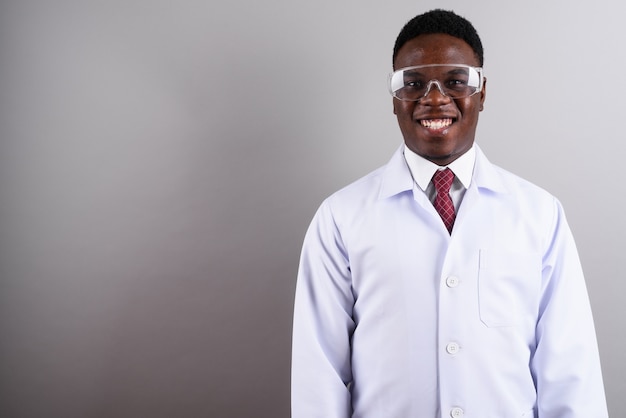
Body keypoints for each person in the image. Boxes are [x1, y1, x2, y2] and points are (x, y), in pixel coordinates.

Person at [291, 9, 608, 418]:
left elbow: (570, 370)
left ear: (483, 92)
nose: (435, 98)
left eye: (456, 82)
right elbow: (319, 377)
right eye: (414, 84)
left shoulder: (539, 214)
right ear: (394, 99)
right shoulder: (341, 218)